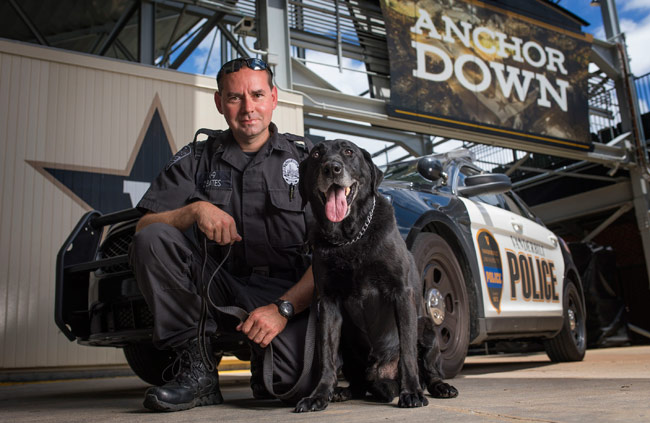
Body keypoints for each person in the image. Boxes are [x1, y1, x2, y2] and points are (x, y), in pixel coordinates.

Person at [129, 57, 316, 412]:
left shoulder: (307, 162)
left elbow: (332, 256)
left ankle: (269, 357)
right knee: (152, 240)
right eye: (234, 98)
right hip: (218, 288)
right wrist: (193, 211)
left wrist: (284, 309)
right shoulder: (196, 159)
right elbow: (143, 228)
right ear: (219, 103)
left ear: (274, 98)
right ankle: (196, 371)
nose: (248, 108)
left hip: (287, 293)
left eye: (257, 95)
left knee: (287, 386)